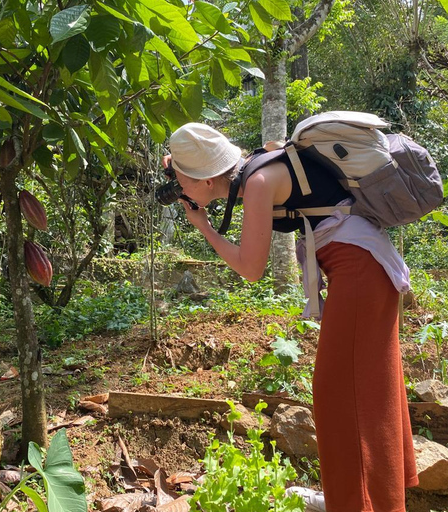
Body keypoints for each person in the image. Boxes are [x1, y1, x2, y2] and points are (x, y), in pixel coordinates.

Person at [163, 123, 418, 512]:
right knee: (367, 389)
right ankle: (367, 499)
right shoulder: (256, 170)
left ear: (206, 176)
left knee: (341, 394)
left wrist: (206, 229)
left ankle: (359, 503)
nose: (179, 187)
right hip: (362, 269)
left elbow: (251, 268)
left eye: (181, 178)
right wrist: (179, 168)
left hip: (360, 272)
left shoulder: (260, 181)